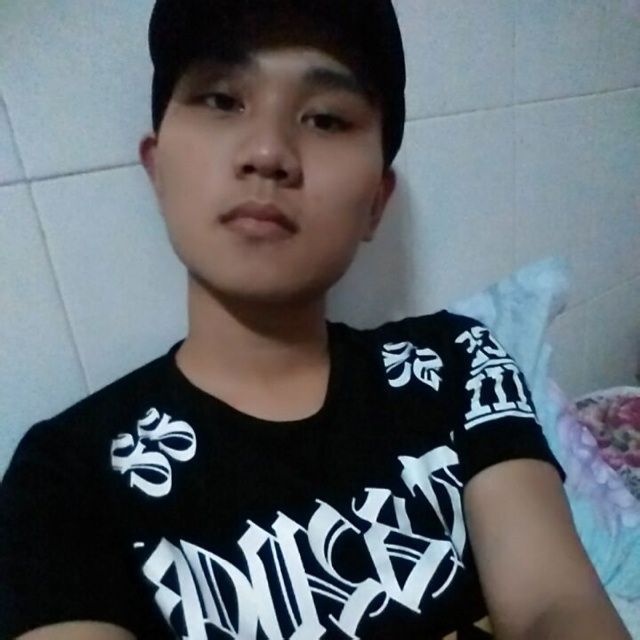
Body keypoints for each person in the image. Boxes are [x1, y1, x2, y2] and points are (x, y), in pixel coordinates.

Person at [0, 1, 632, 639]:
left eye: (326, 118)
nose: (268, 151)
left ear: (376, 203)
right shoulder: (67, 471)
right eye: (221, 100)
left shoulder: (458, 362)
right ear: (157, 167)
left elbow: (554, 603)